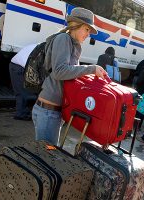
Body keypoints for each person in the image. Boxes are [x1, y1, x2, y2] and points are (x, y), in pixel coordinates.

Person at [32, 7, 107, 146]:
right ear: (76, 26)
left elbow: (69, 73)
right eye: (87, 29)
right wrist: (91, 68)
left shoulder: (71, 43)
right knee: (47, 155)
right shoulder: (63, 39)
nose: (88, 34)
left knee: (46, 153)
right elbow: (60, 71)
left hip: (51, 111)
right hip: (48, 112)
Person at [9, 43, 37, 121]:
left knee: (23, 92)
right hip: (19, 66)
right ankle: (21, 114)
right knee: (22, 93)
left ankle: (24, 113)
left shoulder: (42, 45)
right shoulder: (47, 49)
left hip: (16, 64)